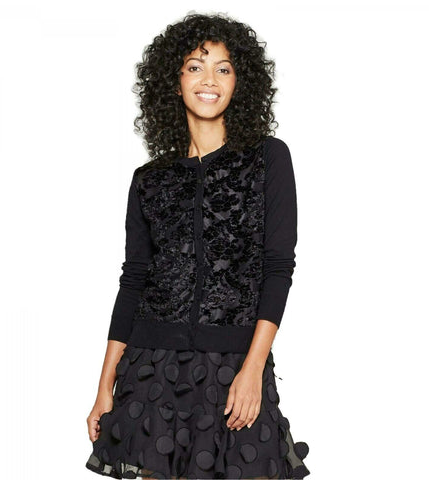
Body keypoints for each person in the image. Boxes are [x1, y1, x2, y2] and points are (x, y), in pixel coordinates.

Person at [85, 12, 310, 480]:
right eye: (195, 67)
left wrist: (253, 369)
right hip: (150, 372)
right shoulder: (149, 180)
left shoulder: (268, 158)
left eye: (223, 68)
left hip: (234, 366)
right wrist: (105, 386)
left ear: (239, 83)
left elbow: (278, 268)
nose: (209, 80)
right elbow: (134, 281)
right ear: (174, 81)